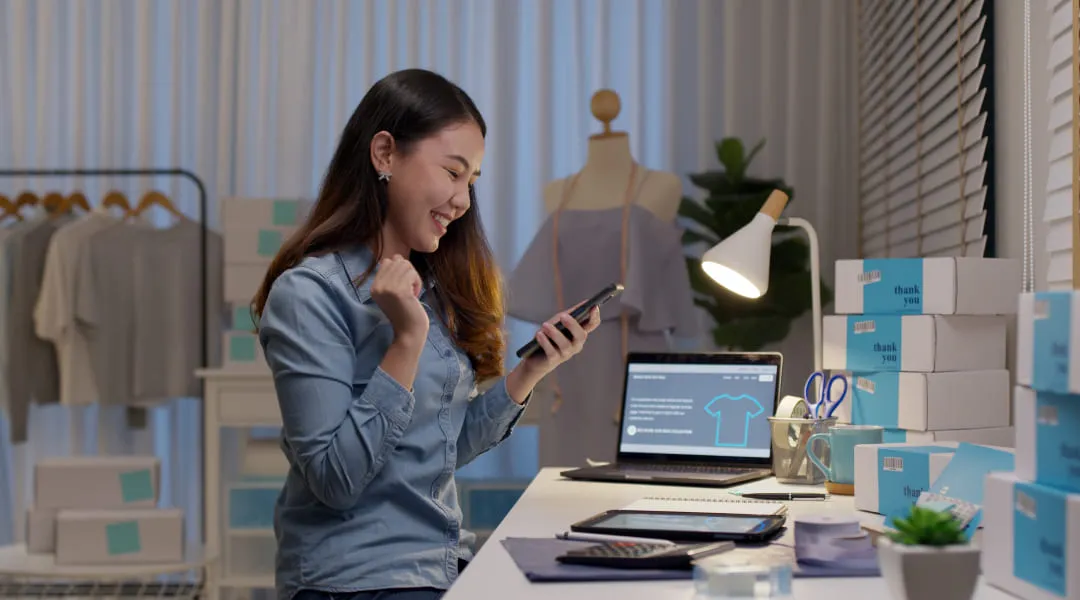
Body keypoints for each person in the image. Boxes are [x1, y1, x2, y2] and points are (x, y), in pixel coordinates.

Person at [250, 68, 601, 600]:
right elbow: (335, 481)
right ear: (385, 154)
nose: (462, 200)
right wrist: (406, 341)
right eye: (453, 172)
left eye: (472, 181)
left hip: (438, 565)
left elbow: (438, 448)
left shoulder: (429, 289)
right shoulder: (309, 296)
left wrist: (531, 370)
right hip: (353, 580)